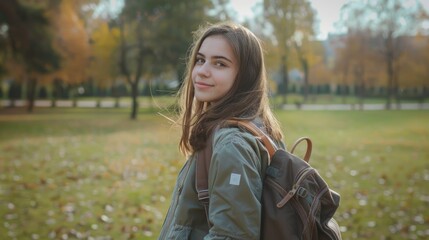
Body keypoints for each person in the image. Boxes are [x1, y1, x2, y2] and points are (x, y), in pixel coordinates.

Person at [158, 21, 284, 240]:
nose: (202, 71)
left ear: (245, 75)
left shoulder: (232, 145)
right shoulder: (257, 128)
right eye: (200, 60)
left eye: (220, 64)